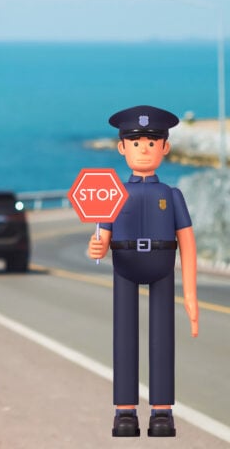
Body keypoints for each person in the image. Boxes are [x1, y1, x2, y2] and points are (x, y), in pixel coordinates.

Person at [87, 105, 199, 438]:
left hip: (164, 266)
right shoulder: (113, 193)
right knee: (125, 338)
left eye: (152, 142)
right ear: (122, 147)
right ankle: (125, 410)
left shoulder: (172, 195)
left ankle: (162, 411)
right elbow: (101, 237)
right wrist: (96, 247)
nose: (144, 149)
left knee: (162, 340)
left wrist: (191, 295)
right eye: (136, 143)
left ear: (165, 147)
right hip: (124, 265)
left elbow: (188, 242)